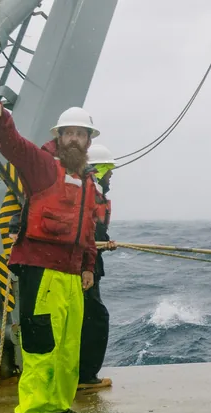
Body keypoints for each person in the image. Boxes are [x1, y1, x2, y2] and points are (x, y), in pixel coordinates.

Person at [0, 103, 100, 413]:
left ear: (88, 141)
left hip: (72, 275)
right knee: (41, 349)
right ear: (59, 138)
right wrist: (1, 116)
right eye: (69, 133)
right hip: (42, 271)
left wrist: (89, 265)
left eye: (81, 134)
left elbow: (88, 228)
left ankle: (57, 409)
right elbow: (14, 145)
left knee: (67, 348)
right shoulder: (44, 167)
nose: (75, 139)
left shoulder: (87, 181)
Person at [77, 143, 117, 390]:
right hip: (84, 266)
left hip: (88, 261)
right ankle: (85, 376)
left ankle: (80, 374)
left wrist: (104, 242)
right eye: (109, 170)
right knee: (94, 319)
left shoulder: (89, 192)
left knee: (85, 318)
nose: (112, 176)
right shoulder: (88, 192)